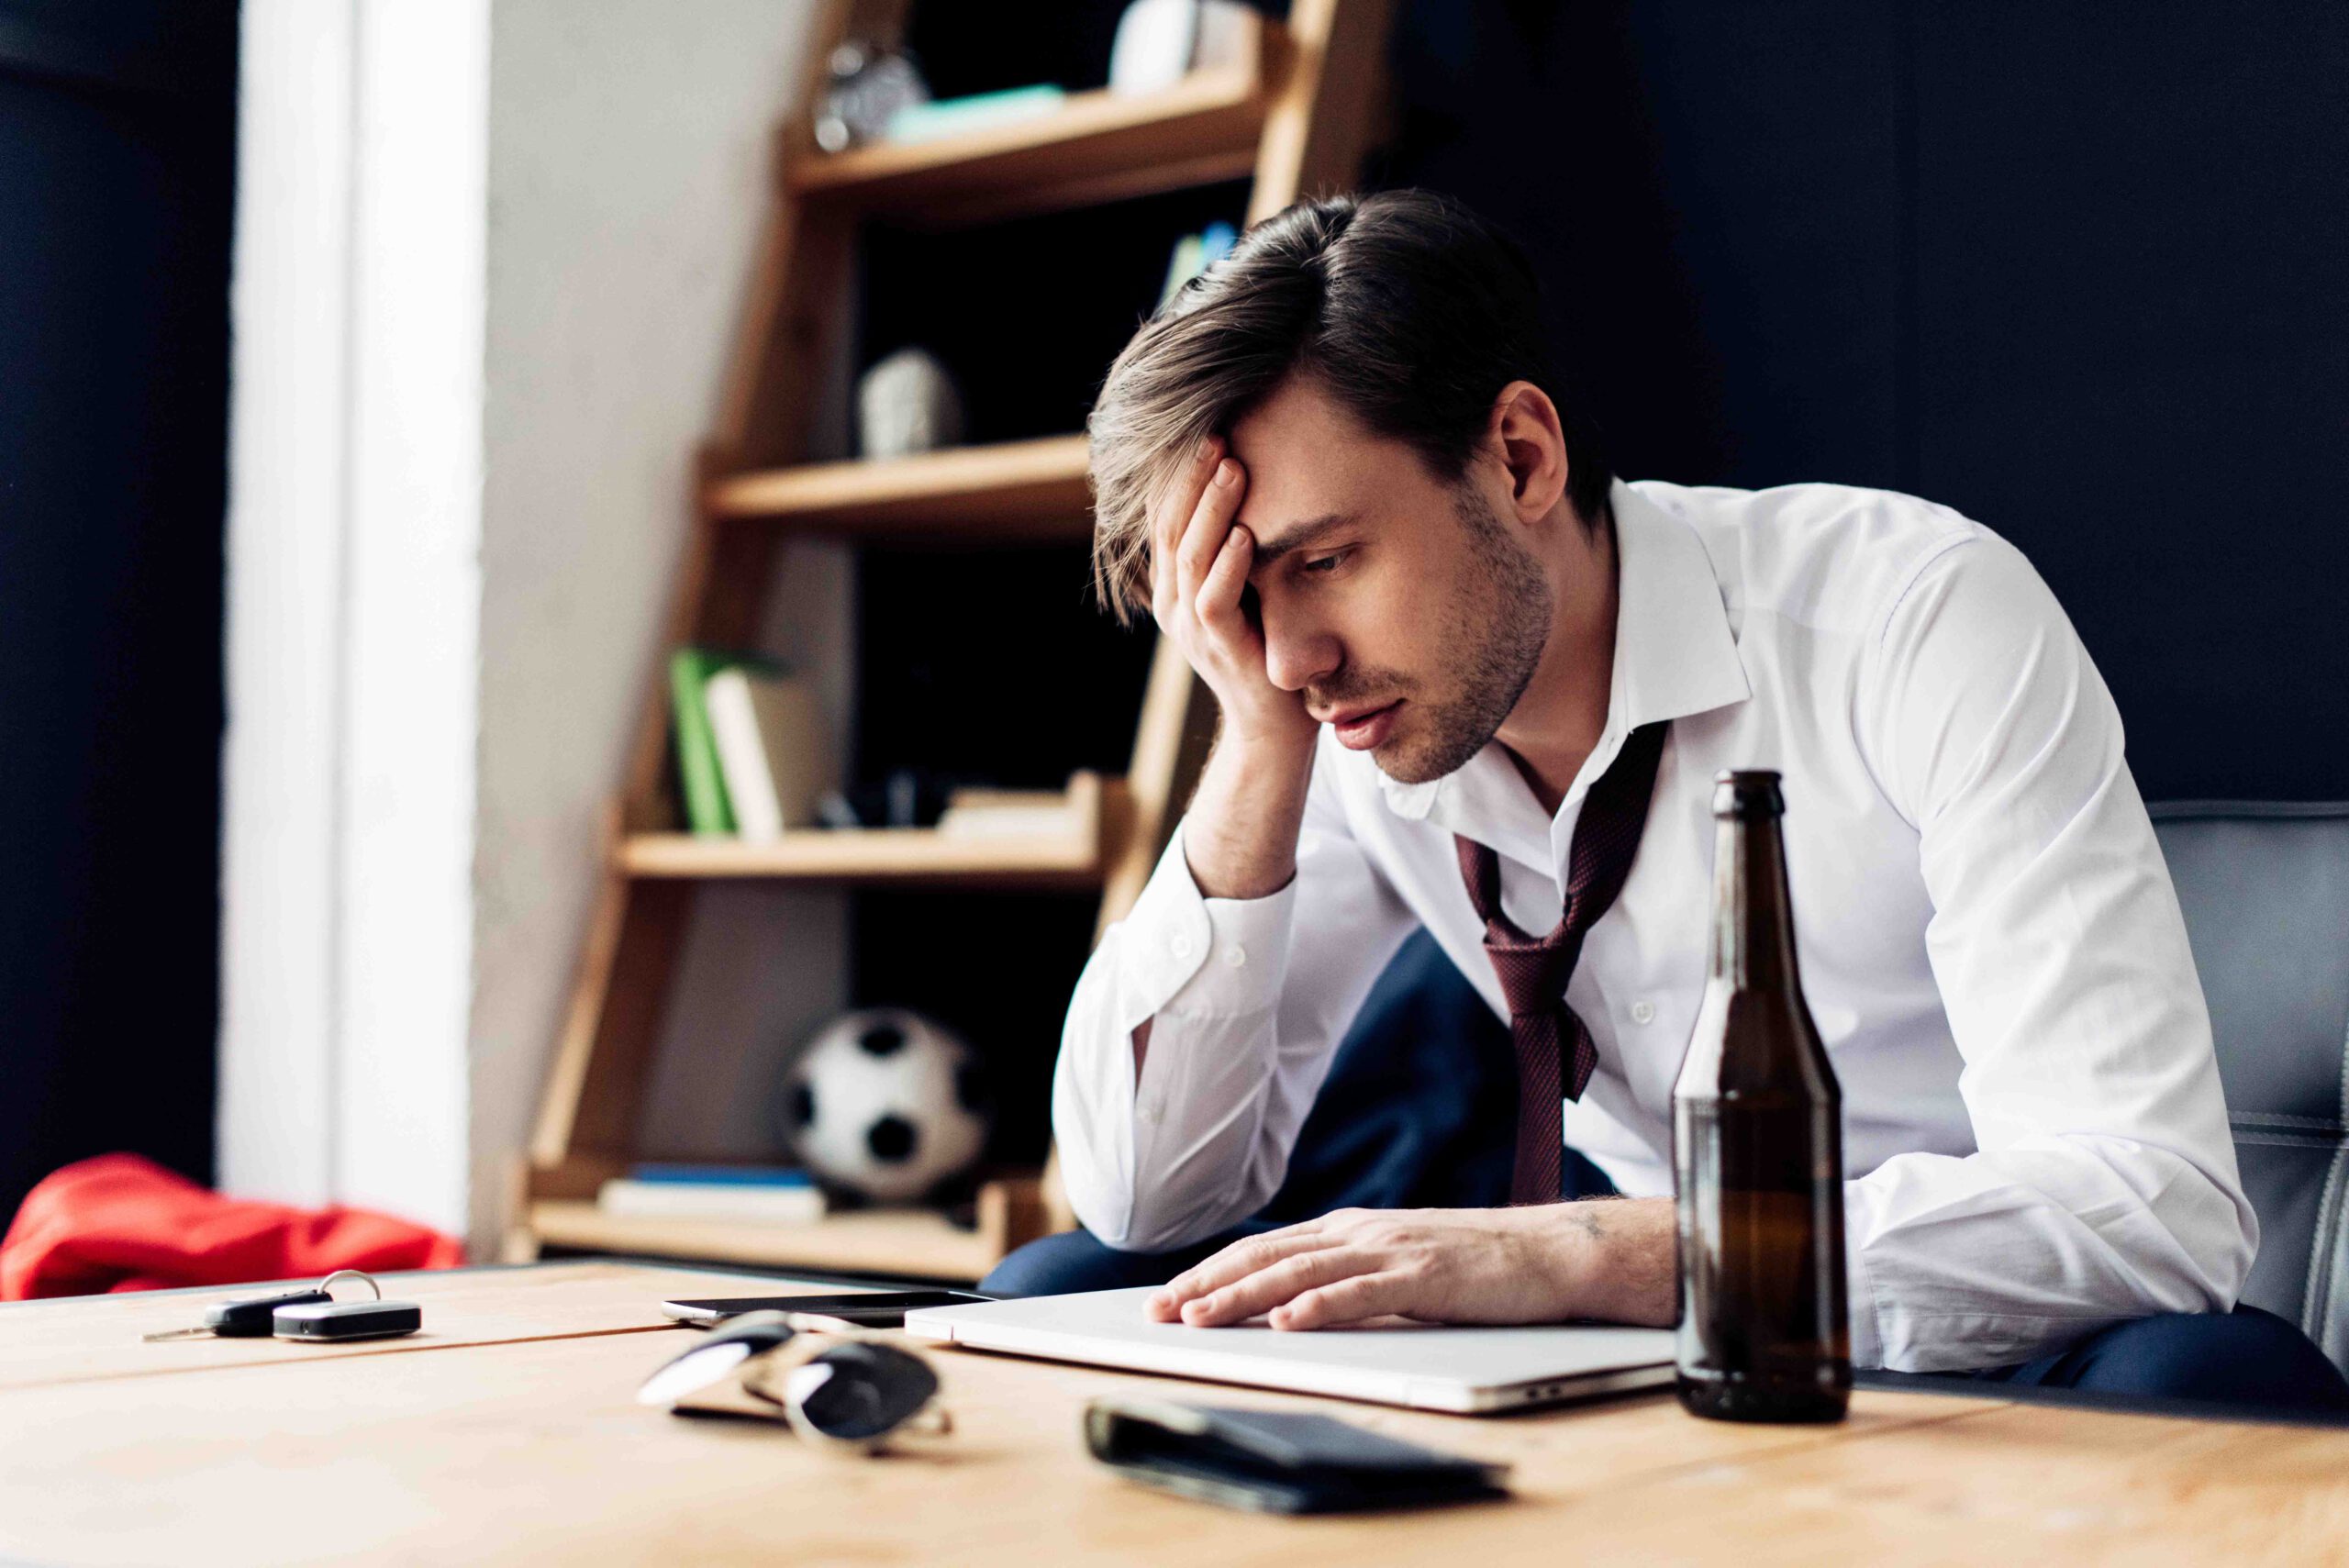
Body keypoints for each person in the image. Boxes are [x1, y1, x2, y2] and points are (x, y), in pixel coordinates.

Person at [985, 189, 2348, 1412]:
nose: (1293, 660)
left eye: (1326, 560)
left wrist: (1603, 1252)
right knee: (1060, 1276)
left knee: (2217, 1379)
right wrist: (1253, 749)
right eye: (1239, 603)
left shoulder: (1914, 618)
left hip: (1971, 1337)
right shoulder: (1345, 721)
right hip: (1647, 1334)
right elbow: (1147, 1192)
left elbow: (2147, 1207)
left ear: (1519, 457)